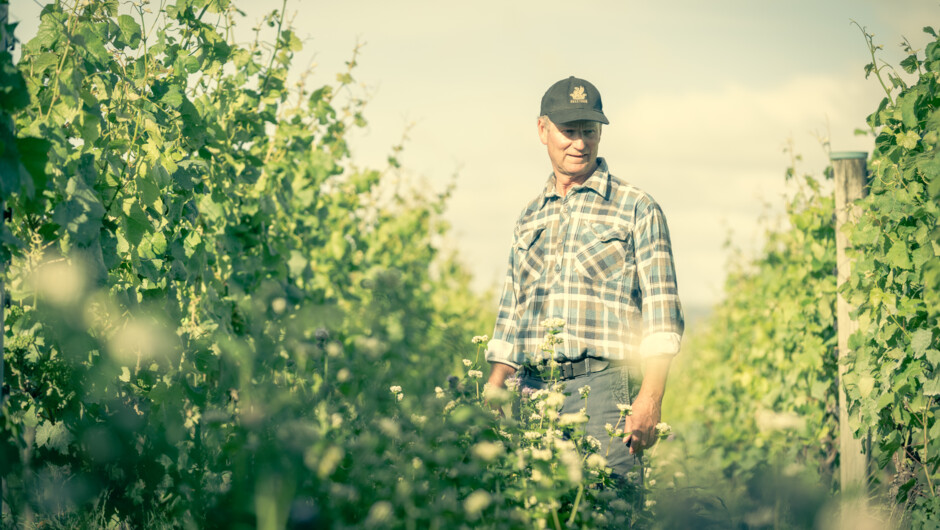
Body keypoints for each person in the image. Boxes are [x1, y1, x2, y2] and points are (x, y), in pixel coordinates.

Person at [485, 76, 684, 482]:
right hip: (532, 392)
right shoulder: (529, 216)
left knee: (608, 505)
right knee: (536, 508)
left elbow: (662, 315)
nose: (580, 143)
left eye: (589, 131)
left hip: (607, 393)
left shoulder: (637, 207)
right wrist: (495, 387)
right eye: (569, 131)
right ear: (543, 130)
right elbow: (511, 313)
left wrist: (650, 398)